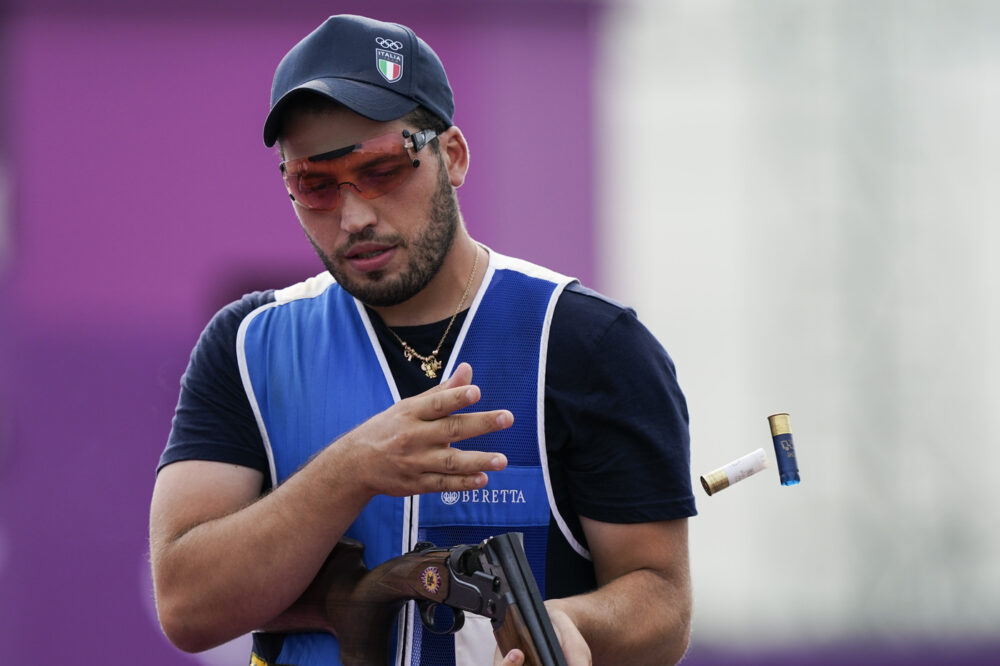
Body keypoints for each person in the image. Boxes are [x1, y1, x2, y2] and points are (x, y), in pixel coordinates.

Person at [149, 14, 695, 666]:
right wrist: (350, 472)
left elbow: (661, 600)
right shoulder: (247, 345)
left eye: (381, 170)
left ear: (453, 156)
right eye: (314, 185)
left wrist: (568, 625)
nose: (353, 216)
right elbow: (186, 608)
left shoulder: (590, 343)